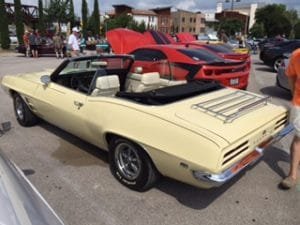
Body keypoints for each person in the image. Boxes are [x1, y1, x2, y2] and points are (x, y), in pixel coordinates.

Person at [280, 48, 300, 189]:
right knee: (299, 138)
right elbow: (291, 76)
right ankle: (292, 175)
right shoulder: (296, 55)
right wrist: (295, 95)